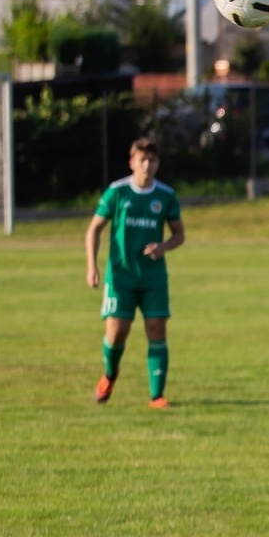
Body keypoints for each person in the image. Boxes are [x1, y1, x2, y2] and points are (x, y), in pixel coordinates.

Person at [85, 137, 184, 408]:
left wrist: (163, 247)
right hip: (121, 277)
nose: (147, 165)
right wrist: (92, 266)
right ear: (132, 163)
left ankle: (157, 395)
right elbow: (94, 229)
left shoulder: (165, 195)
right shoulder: (117, 192)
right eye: (142, 160)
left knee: (156, 329)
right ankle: (109, 376)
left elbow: (179, 234)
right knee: (117, 334)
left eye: (152, 160)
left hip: (153, 278)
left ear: (158, 164)